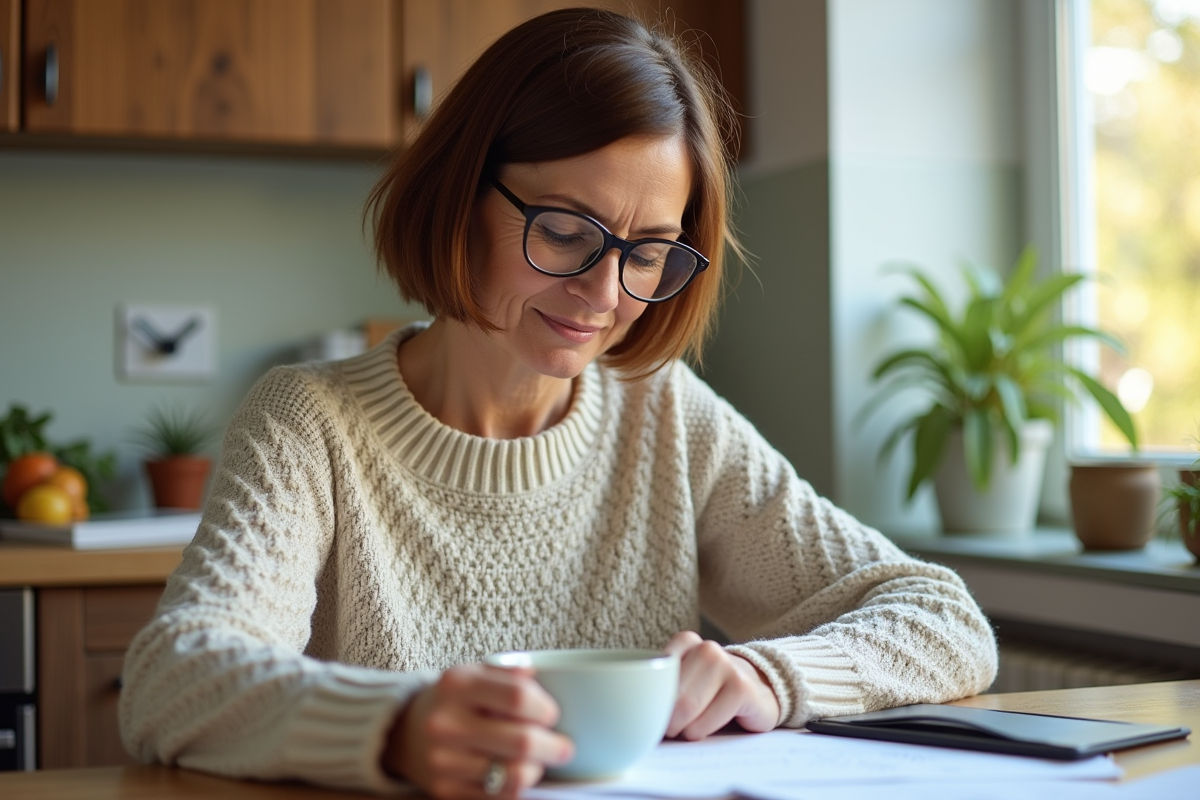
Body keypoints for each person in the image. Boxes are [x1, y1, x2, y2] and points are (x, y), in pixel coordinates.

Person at [119, 7, 998, 799]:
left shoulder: (666, 413)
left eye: (648, 252)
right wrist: (396, 729)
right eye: (567, 233)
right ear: (462, 196)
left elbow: (944, 621)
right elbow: (174, 680)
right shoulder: (309, 422)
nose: (605, 292)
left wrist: (772, 677)